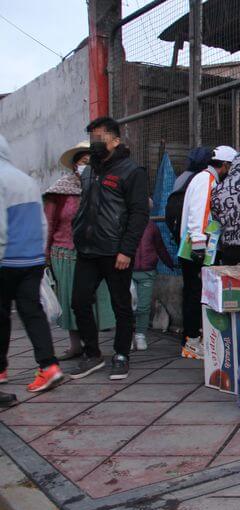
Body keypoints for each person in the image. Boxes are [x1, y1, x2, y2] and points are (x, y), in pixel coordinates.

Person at [69, 117, 149, 382]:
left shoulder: (131, 171)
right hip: (88, 249)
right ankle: (92, 354)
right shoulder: (90, 170)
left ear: (115, 140)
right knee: (79, 302)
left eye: (100, 137)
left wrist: (127, 250)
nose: (95, 143)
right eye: (93, 137)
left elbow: (139, 215)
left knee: (121, 306)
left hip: (116, 252)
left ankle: (121, 355)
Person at [0, 134, 63, 392]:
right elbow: (42, 221)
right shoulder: (25, 179)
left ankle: (1, 369)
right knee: (32, 312)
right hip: (31, 259)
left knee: (1, 315)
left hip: (5, 259)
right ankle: (48, 366)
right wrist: (40, 254)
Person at [44, 141, 115, 360]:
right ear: (74, 165)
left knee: (96, 301)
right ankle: (76, 345)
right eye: (83, 162)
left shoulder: (103, 186)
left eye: (90, 162)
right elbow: (49, 223)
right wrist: (45, 255)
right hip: (65, 253)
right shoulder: (60, 190)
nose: (86, 166)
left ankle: (93, 346)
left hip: (97, 252)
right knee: (70, 301)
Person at [178, 145, 237, 357]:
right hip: (197, 248)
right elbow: (200, 213)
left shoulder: (202, 178)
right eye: (230, 167)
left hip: (195, 245)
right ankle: (192, 343)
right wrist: (199, 245)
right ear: (224, 165)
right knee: (195, 295)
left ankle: (192, 338)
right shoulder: (207, 180)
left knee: (194, 294)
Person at [131, 199, 175, 351]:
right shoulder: (125, 227)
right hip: (128, 271)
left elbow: (160, 248)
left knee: (143, 306)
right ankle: (127, 335)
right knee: (127, 306)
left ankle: (140, 335)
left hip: (147, 271)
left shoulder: (152, 228)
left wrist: (170, 263)